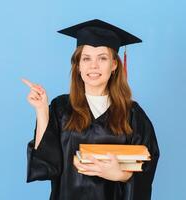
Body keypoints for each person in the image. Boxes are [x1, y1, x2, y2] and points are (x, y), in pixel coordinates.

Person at [22, 19, 159, 200]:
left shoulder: (131, 113)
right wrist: (41, 110)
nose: (93, 66)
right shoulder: (61, 108)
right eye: (86, 58)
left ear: (114, 65)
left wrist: (120, 175)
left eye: (102, 58)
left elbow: (147, 168)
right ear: (78, 65)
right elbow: (47, 166)